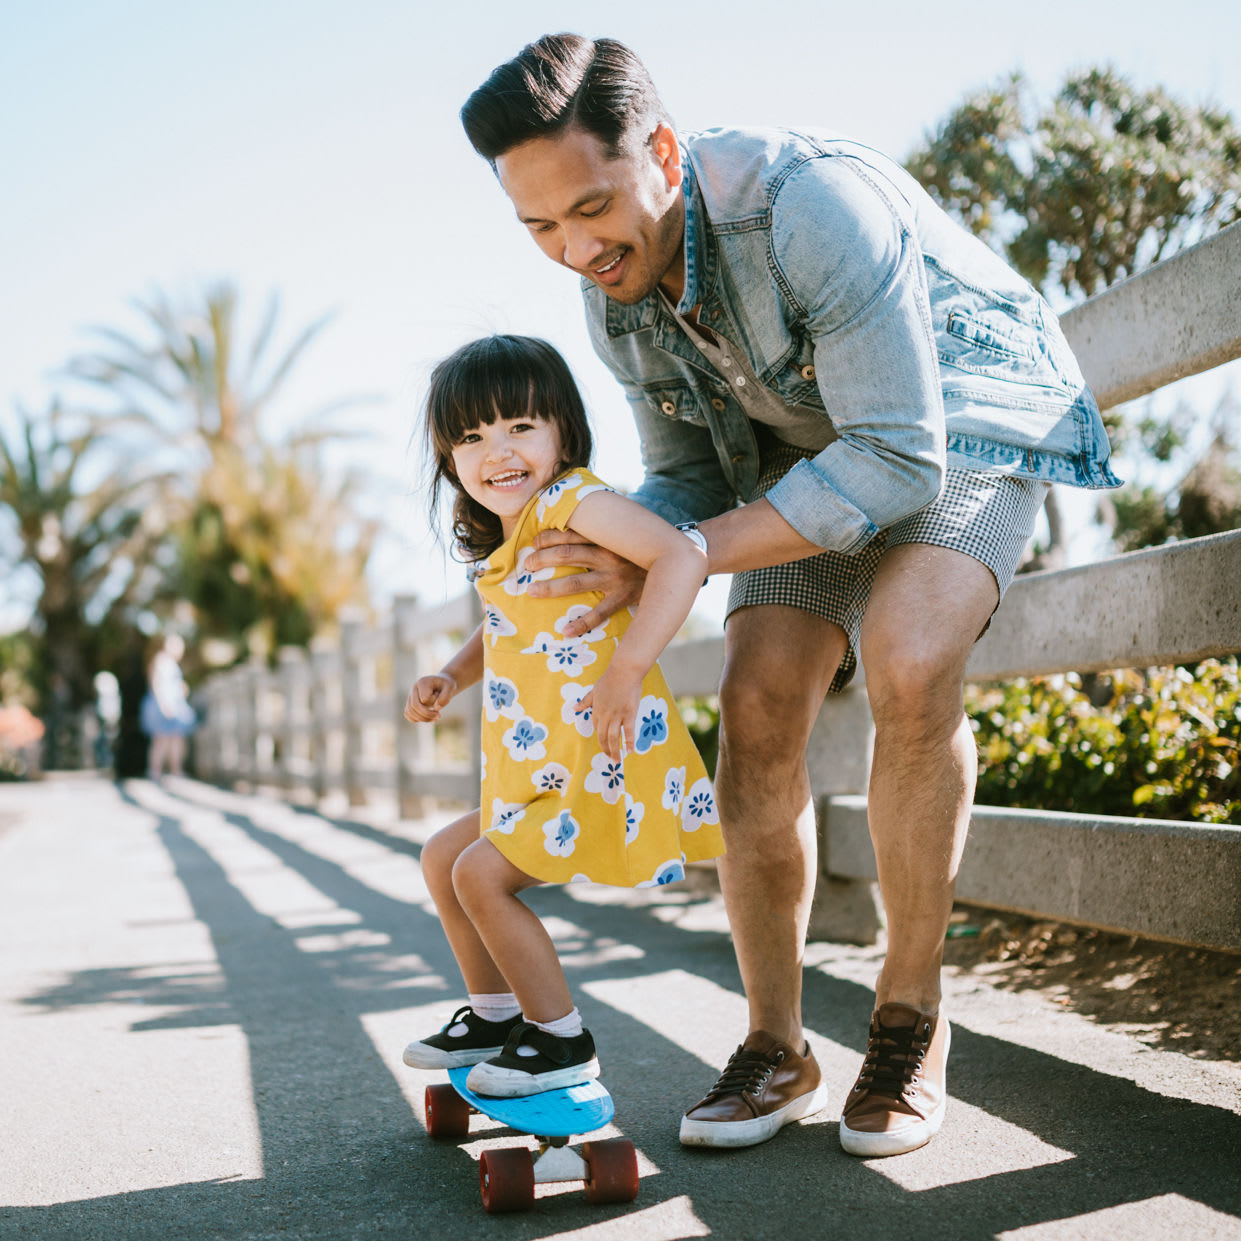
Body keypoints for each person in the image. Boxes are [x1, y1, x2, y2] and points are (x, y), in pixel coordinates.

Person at [460, 35, 1120, 1152]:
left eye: (590, 207)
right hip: (801, 466)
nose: (575, 249)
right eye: (539, 229)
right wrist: (634, 539)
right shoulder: (611, 294)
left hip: (959, 428)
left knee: (908, 656)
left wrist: (673, 551)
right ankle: (777, 1045)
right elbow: (689, 475)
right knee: (757, 700)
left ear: (660, 150)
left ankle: (909, 1017)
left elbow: (899, 459)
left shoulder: (807, 203)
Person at [401, 334, 726, 1097]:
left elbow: (680, 556)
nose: (498, 450)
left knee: (482, 876)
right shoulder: (515, 534)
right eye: (471, 436)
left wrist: (627, 668)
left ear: (562, 431)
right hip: (542, 764)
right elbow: (511, 621)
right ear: (449, 459)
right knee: (443, 859)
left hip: (596, 753)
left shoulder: (573, 500)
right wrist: (451, 673)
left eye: (519, 425)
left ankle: (559, 1039)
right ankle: (493, 1015)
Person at [140, 634, 196, 779]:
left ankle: (172, 770)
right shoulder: (163, 660)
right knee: (162, 739)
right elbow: (157, 684)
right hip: (165, 705)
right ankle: (157, 771)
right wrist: (164, 705)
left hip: (171, 704)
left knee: (173, 739)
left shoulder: (167, 661)